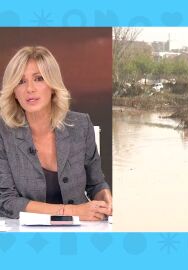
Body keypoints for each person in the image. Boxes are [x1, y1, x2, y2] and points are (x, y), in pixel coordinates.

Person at [0, 46, 112, 221]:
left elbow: (96, 183)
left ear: (52, 85)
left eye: (38, 79)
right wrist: (73, 211)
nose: (30, 88)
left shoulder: (81, 125)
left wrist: (105, 199)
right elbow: (6, 201)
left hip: (82, 230)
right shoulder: (4, 132)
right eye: (21, 81)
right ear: (13, 92)